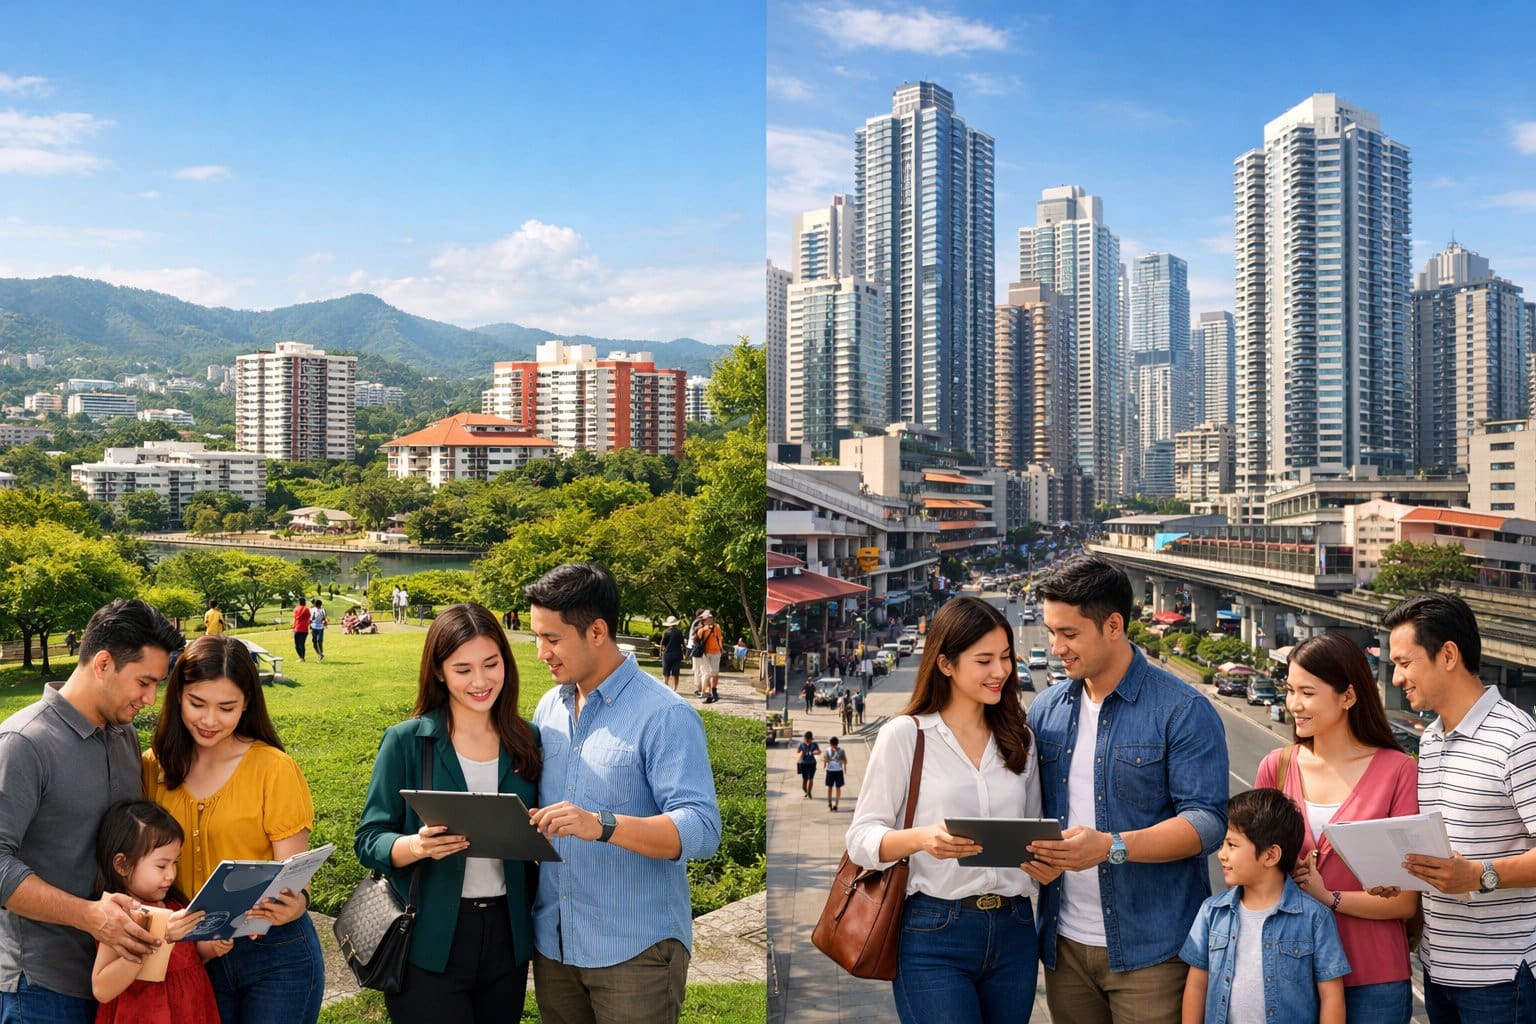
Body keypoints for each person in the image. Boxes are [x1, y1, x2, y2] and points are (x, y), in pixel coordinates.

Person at [1026, 555, 1229, 1024]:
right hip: (1064, 947)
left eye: (1069, 634)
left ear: (1113, 625)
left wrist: (1111, 847)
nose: (1057, 647)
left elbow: (1207, 824)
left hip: (1154, 952)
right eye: (1052, 632)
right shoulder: (1047, 710)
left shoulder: (1182, 710)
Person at [523, 563, 721, 1024]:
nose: (540, 653)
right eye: (537, 637)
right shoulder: (549, 705)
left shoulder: (665, 715)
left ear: (597, 631)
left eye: (551, 639)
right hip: (555, 943)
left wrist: (602, 825)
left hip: (636, 951)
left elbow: (702, 829)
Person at [846, 596, 1043, 1023]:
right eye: (984, 660)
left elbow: (1032, 839)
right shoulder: (906, 735)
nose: (1001, 672)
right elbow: (860, 840)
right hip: (934, 930)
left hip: (1015, 931)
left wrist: (1046, 863)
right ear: (946, 664)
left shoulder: (1020, 738)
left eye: (1006, 658)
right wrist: (922, 839)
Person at [355, 603, 543, 1021]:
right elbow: (369, 838)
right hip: (427, 935)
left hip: (507, 936)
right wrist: (416, 846)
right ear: (439, 671)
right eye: (463, 670)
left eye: (491, 664)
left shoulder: (527, 739)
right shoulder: (407, 740)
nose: (481, 681)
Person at [0, 600, 182, 1023]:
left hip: (116, 986)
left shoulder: (123, 738)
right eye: (144, 682)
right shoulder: (22, 743)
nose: (151, 699)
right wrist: (89, 917)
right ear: (103, 663)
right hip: (42, 987)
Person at [143, 633, 324, 1023]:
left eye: (226, 708)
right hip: (191, 954)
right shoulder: (151, 766)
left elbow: (295, 873)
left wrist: (296, 903)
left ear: (246, 705)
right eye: (197, 704)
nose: (210, 721)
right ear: (177, 696)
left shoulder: (273, 768)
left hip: (276, 953)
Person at [1383, 593, 1536, 1022]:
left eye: (1405, 662)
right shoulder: (1431, 739)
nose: (1396, 678)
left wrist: (1480, 875)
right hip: (1438, 969)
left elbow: (1472, 870)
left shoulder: (1518, 741)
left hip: (1502, 981)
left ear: (1448, 654)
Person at [1255, 631, 1420, 1023]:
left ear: (1347, 696)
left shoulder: (1398, 772)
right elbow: (1251, 871)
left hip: (1373, 977)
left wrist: (1328, 895)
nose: (1294, 704)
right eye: (1290, 690)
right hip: (1291, 969)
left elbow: (1404, 902)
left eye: (1308, 692)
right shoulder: (1275, 767)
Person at [1179, 788, 1349, 1024]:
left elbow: (1332, 996)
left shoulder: (1315, 918)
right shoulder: (1212, 912)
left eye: (1232, 845)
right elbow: (1197, 984)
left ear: (1270, 856)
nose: (1221, 854)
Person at [90, 800, 227, 1024]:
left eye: (175, 863)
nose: (171, 875)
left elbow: (188, 959)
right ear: (122, 865)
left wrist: (212, 947)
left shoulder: (174, 905)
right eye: (161, 866)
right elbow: (102, 988)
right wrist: (158, 935)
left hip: (189, 1010)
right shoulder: (120, 915)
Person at [697, 611, 724, 704]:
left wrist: (721, 649)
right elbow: (698, 638)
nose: (710, 620)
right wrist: (703, 627)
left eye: (711, 618)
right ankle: (708, 691)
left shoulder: (717, 627)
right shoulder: (702, 629)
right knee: (707, 673)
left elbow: (719, 639)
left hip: (716, 652)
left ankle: (713, 690)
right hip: (706, 653)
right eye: (708, 618)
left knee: (715, 673)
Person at [659, 616, 685, 692]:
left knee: (666, 672)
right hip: (677, 654)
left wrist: (660, 653)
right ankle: (675, 688)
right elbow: (683, 644)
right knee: (675, 673)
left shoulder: (666, 632)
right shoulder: (679, 632)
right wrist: (685, 653)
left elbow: (662, 644)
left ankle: (666, 685)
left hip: (668, 654)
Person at [823, 737, 847, 812]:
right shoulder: (840, 750)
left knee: (833, 788)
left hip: (833, 771)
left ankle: (833, 803)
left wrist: (826, 761)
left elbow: (826, 760)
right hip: (836, 771)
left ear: (831, 743)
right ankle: (833, 803)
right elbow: (845, 761)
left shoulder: (830, 750)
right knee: (835, 788)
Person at [795, 731, 819, 800]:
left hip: (812, 763)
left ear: (811, 739)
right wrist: (800, 755)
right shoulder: (801, 745)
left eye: (808, 739)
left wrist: (814, 753)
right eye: (806, 739)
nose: (807, 741)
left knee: (811, 778)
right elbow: (797, 752)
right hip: (803, 764)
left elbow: (819, 752)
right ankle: (806, 791)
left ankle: (809, 792)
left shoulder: (814, 745)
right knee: (805, 780)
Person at [291, 597, 311, 662]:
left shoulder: (296, 609)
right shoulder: (307, 609)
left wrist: (293, 627)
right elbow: (309, 617)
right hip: (305, 629)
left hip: (298, 628)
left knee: (297, 644)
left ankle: (301, 657)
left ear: (299, 602)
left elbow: (295, 619)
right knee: (302, 643)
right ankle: (302, 657)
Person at [308, 598, 327, 662]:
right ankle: (319, 654)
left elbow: (324, 618)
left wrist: (324, 621)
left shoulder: (323, 610)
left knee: (319, 641)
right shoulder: (312, 610)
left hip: (320, 627)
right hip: (313, 627)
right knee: (314, 642)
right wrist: (309, 626)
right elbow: (310, 619)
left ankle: (321, 653)